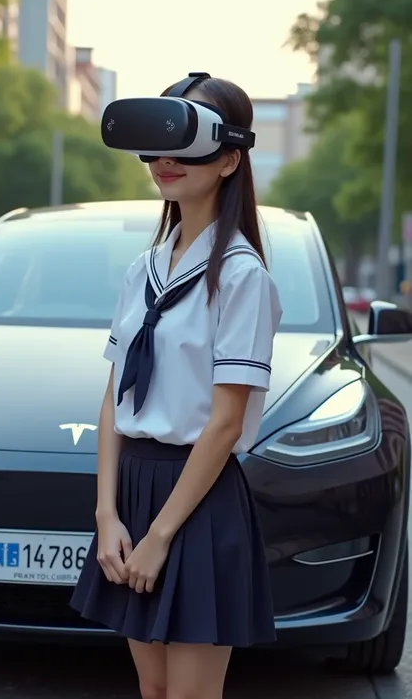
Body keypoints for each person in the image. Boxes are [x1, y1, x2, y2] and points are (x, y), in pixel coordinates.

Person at [71, 74, 282, 699]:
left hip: (196, 499)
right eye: (157, 142)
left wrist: (161, 536)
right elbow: (114, 397)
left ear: (229, 158)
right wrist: (107, 515)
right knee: (154, 691)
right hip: (134, 490)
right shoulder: (145, 267)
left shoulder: (242, 276)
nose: (165, 160)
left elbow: (224, 423)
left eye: (185, 142)